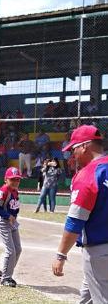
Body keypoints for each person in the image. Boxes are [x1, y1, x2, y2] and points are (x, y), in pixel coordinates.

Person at [52, 125, 108, 303]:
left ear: (85, 146)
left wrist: (61, 255)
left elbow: (74, 222)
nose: (72, 155)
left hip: (99, 251)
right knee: (87, 296)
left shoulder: (87, 175)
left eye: (73, 149)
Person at [0, 167, 22, 287]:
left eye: (17, 179)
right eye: (12, 179)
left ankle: (4, 272)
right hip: (4, 223)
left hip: (12, 223)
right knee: (11, 251)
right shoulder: (3, 191)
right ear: (6, 180)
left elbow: (15, 207)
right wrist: (7, 215)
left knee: (18, 250)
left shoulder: (15, 191)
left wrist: (13, 217)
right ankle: (5, 278)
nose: (15, 182)